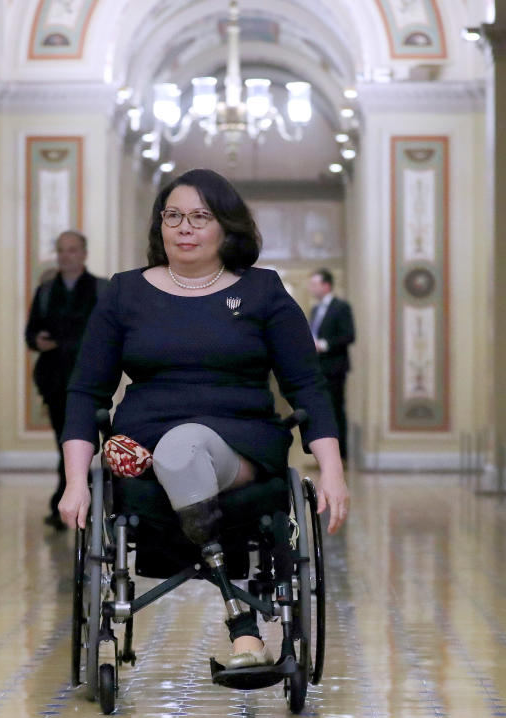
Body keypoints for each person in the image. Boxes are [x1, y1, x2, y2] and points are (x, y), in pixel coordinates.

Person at [57, 169, 350, 670]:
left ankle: (241, 625)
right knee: (175, 448)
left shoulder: (262, 292)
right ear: (160, 225)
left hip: (242, 449)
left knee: (185, 445)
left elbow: (308, 386)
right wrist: (74, 484)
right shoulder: (126, 294)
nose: (184, 228)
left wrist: (333, 472)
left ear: (226, 228)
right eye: (173, 216)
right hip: (144, 448)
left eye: (199, 217)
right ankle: (244, 626)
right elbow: (87, 391)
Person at [25, 230, 107, 530]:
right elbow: (31, 334)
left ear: (83, 253)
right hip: (56, 380)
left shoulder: (101, 289)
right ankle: (71, 498)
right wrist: (39, 341)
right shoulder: (46, 292)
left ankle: (72, 499)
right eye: (61, 250)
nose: (66, 256)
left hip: (91, 379)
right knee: (67, 440)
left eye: (71, 250)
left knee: (83, 440)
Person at [307, 268, 356, 460]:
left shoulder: (341, 307)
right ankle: (323, 457)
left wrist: (324, 345)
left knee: (335, 411)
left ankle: (340, 456)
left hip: (334, 369)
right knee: (321, 413)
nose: (311, 288)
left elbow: (349, 335)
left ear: (326, 285)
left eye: (314, 284)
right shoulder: (315, 309)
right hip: (318, 370)